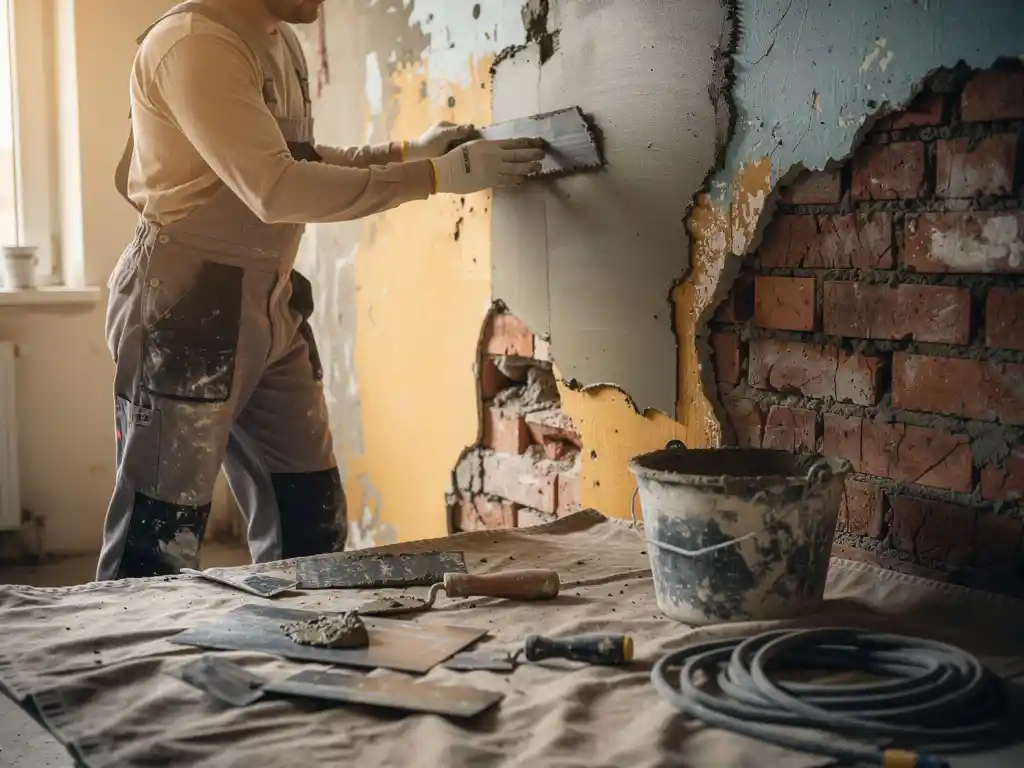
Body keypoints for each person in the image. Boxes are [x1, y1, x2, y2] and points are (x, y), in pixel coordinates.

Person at [96, 0, 544, 580]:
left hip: (270, 300)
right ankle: (132, 667)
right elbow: (276, 189)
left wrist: (411, 152)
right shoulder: (192, 43)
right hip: (185, 307)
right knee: (158, 537)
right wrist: (433, 179)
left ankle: (294, 650)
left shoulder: (278, 40)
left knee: (310, 517)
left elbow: (295, 158)